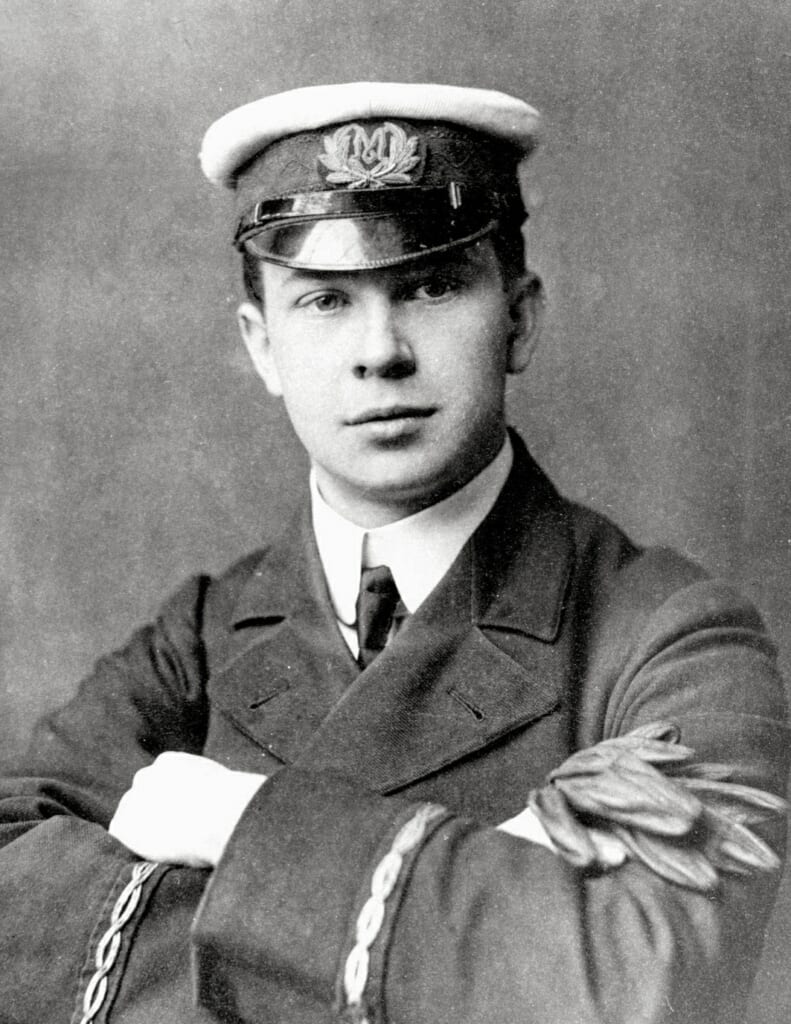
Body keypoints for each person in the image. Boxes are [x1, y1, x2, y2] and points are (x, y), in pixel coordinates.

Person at [0, 81, 788, 1024]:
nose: (379, 351)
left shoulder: (668, 634)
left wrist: (241, 828)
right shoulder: (201, 637)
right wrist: (466, 929)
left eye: (431, 285)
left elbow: (642, 984)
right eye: (325, 300)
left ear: (519, 319)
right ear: (262, 346)